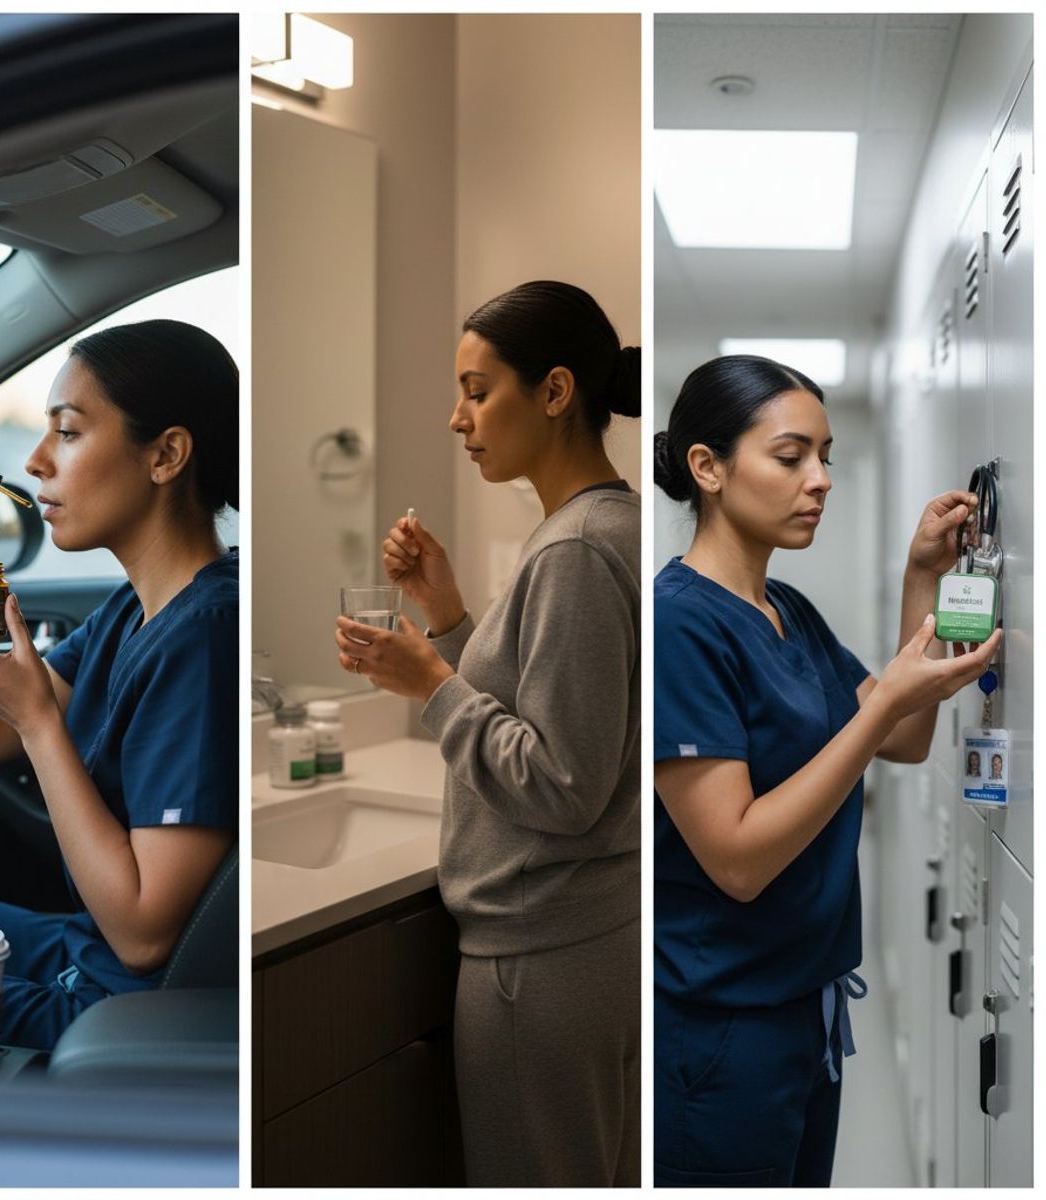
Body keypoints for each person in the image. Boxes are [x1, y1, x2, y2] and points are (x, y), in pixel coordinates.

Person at [653, 354, 1002, 1187]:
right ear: (708, 467)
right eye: (790, 456)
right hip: (724, 1031)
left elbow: (907, 738)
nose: (821, 480)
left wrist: (925, 575)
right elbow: (736, 860)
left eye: (827, 456)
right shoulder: (680, 627)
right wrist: (879, 706)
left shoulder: (788, 611)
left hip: (805, 1008)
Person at [333, 281, 641, 1187]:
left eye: (477, 390)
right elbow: (552, 719)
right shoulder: (602, 529)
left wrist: (428, 683)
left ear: (553, 392)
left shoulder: (574, 551)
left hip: (539, 965)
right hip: (585, 945)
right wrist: (450, 617)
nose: (458, 418)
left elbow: (561, 785)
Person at [0, 319, 239, 1053]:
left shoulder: (203, 635)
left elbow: (142, 935)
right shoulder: (135, 609)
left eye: (66, 433)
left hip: (109, 1011)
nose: (34, 462)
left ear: (166, 455)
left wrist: (38, 720)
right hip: (78, 952)